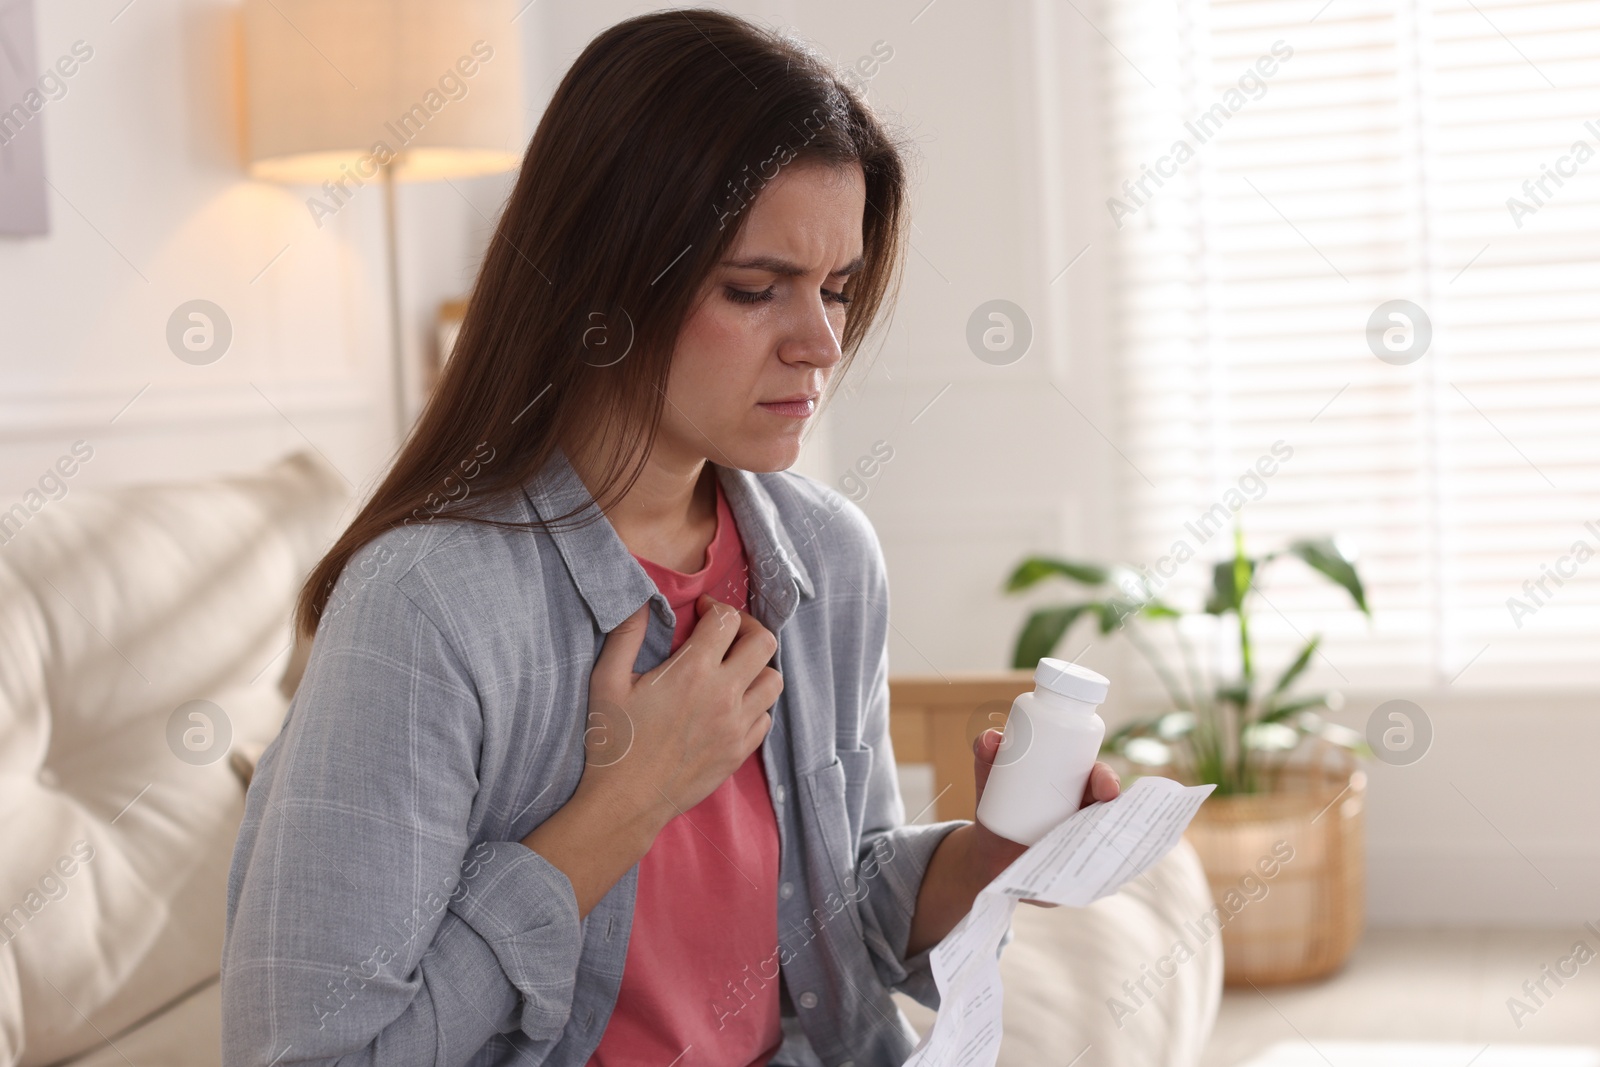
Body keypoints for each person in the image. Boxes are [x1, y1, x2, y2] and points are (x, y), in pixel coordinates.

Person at [221, 9, 1119, 1066]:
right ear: (605, 278)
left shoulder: (827, 555)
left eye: (836, 288)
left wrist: (993, 851)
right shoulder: (426, 608)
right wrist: (632, 793)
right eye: (755, 288)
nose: (822, 342)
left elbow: (842, 918)